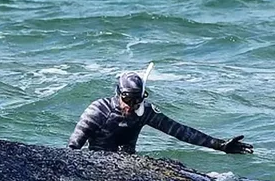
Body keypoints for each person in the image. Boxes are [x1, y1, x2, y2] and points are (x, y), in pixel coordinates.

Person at [68, 70, 253, 154]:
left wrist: (219, 145)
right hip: (98, 161)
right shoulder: (99, 109)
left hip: (128, 163)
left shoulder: (144, 111)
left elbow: (180, 131)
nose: (131, 105)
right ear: (118, 94)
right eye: (127, 99)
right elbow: (73, 147)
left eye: (137, 100)